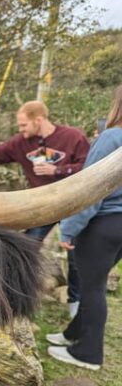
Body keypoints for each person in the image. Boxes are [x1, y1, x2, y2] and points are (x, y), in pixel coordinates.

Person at [0, 101, 90, 316]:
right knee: (28, 248)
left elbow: (87, 166)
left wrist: (58, 170)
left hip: (73, 203)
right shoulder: (21, 144)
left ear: (38, 120)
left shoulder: (73, 137)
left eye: (24, 125)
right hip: (42, 205)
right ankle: (17, 298)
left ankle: (76, 305)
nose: (21, 130)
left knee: (76, 255)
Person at [46, 86, 122, 370]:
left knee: (92, 287)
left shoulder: (112, 137)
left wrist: (68, 230)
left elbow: (90, 191)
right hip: (120, 226)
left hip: (102, 223)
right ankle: (73, 334)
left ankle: (88, 354)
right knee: (96, 281)